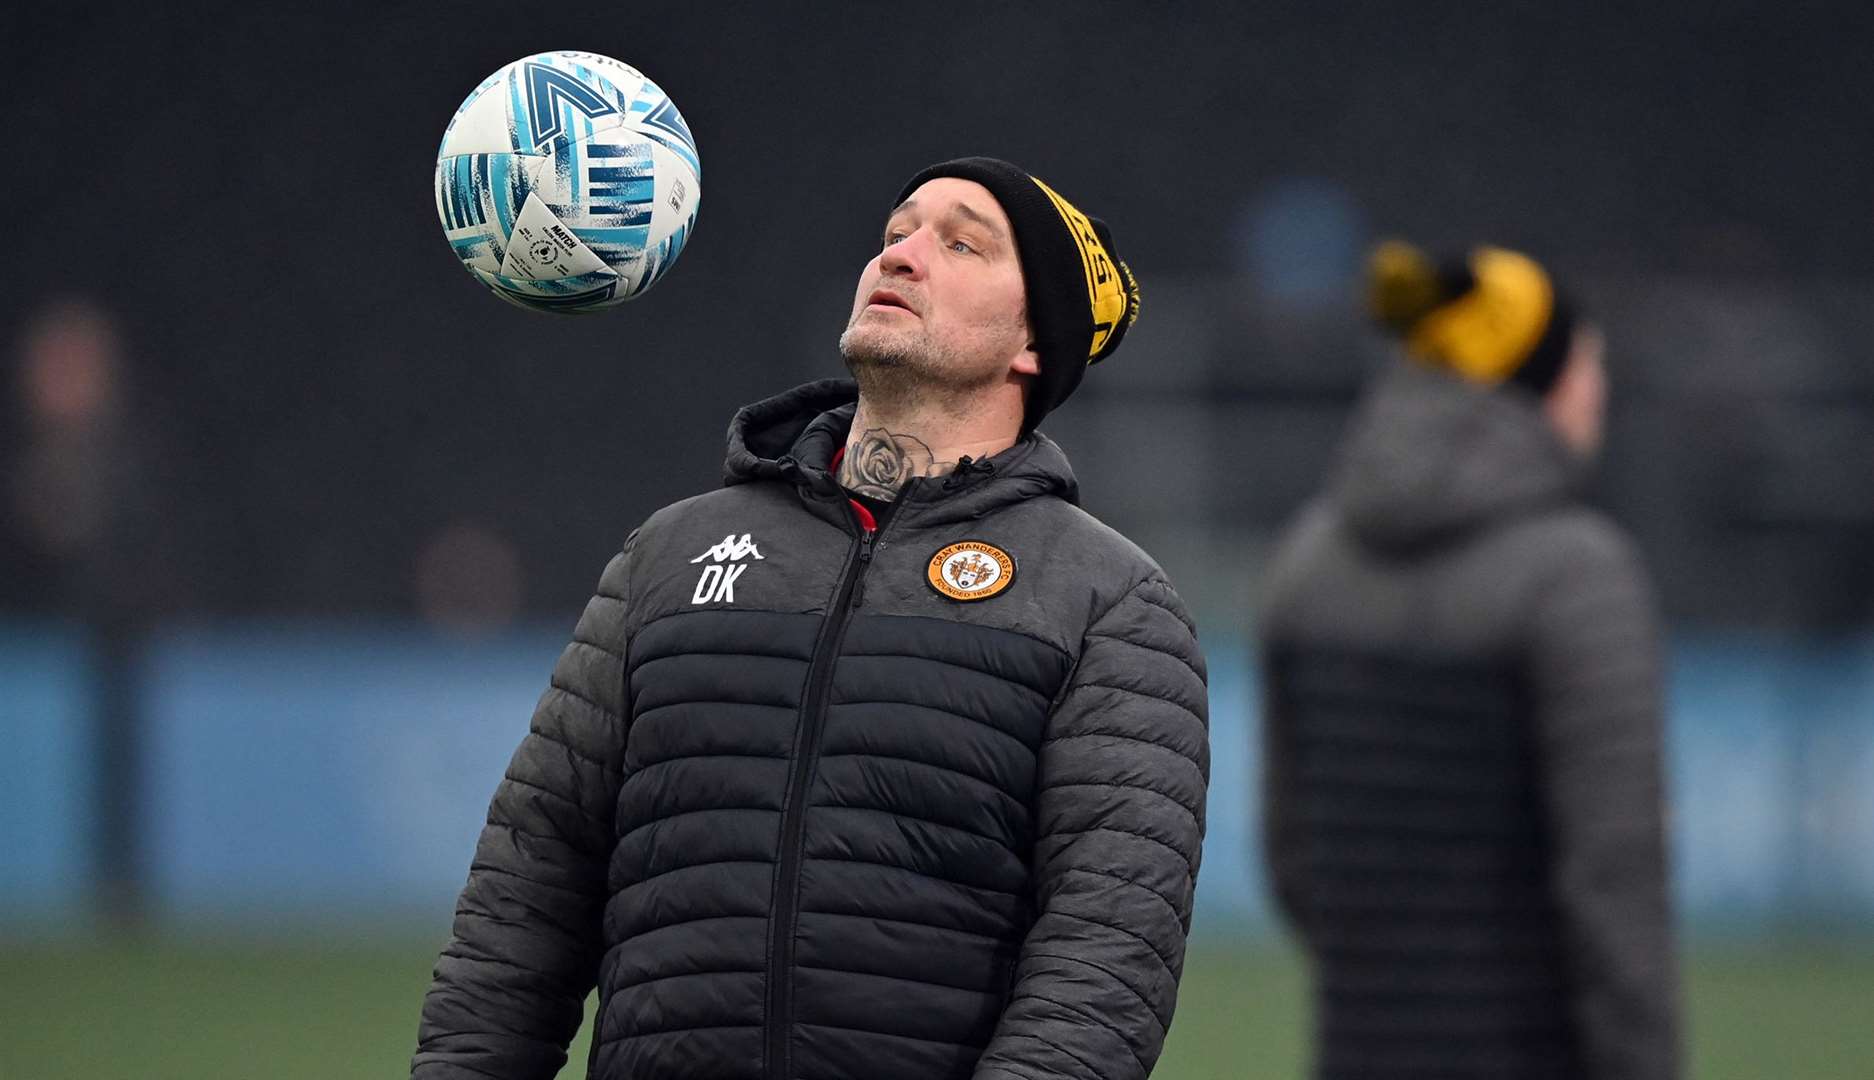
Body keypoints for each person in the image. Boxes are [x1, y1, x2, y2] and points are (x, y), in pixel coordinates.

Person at [413, 157, 1210, 1080]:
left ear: (1034, 342)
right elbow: (529, 894)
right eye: (896, 233)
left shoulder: (1107, 600)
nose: (903, 256)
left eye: (962, 244)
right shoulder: (668, 557)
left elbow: (1104, 964)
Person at [1258, 241, 1679, 1079]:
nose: (1600, 387)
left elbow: (1294, 857)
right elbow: (1613, 883)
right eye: (1589, 360)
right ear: (1540, 379)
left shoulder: (1307, 557)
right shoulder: (1575, 575)